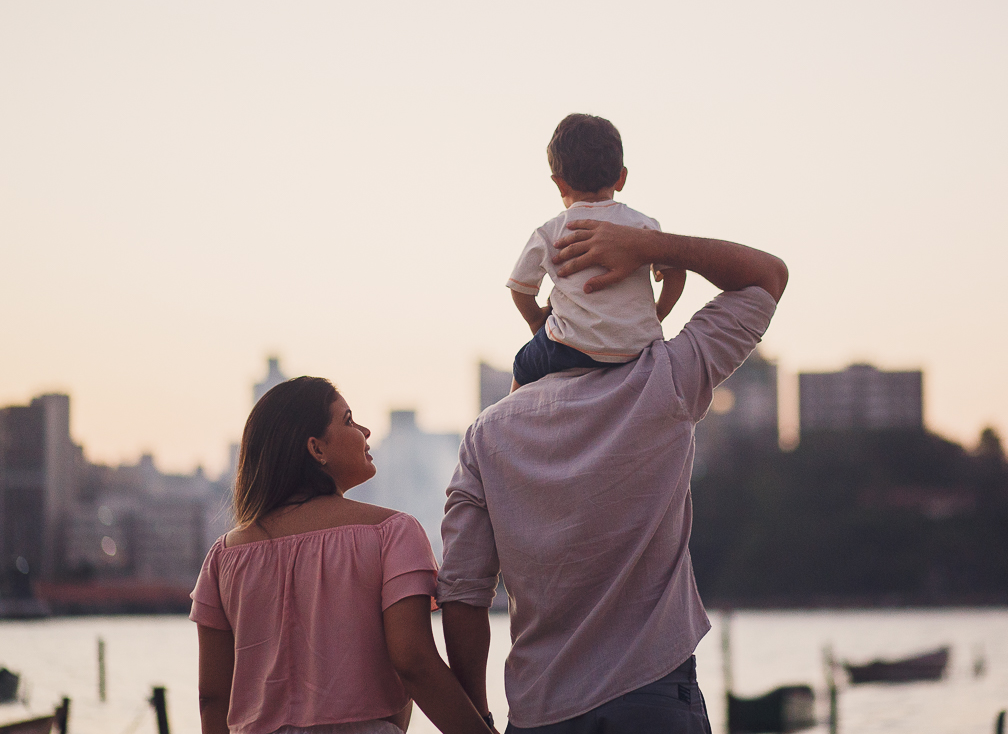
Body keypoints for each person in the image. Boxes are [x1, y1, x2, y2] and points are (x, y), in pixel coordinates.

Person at [439, 220, 788, 732]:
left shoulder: (486, 435)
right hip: (654, 699)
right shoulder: (669, 379)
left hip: (542, 710)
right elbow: (766, 277)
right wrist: (654, 247)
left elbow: (463, 595)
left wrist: (477, 719)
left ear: (555, 314)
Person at [190, 377, 494, 734]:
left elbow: (212, 698)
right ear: (316, 448)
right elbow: (414, 662)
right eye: (349, 420)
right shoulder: (391, 533)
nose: (365, 431)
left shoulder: (224, 557)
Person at [507, 113, 686, 388]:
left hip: (570, 347)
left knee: (523, 365)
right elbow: (676, 274)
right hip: (638, 347)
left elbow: (520, 289)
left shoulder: (549, 232)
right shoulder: (644, 226)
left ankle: (511, 415)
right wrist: (657, 314)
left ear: (560, 184)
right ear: (621, 178)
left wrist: (535, 321)